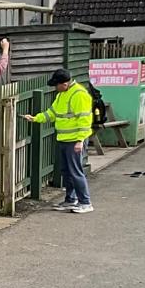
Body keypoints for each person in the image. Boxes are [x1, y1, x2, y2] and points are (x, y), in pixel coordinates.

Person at [24, 69, 94, 214]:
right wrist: (36, 118)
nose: (55, 88)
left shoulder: (79, 95)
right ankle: (70, 199)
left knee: (75, 172)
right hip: (64, 138)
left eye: (57, 85)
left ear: (65, 84)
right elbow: (52, 113)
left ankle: (85, 202)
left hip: (75, 139)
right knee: (67, 172)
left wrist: (80, 140)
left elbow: (85, 119)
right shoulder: (62, 94)